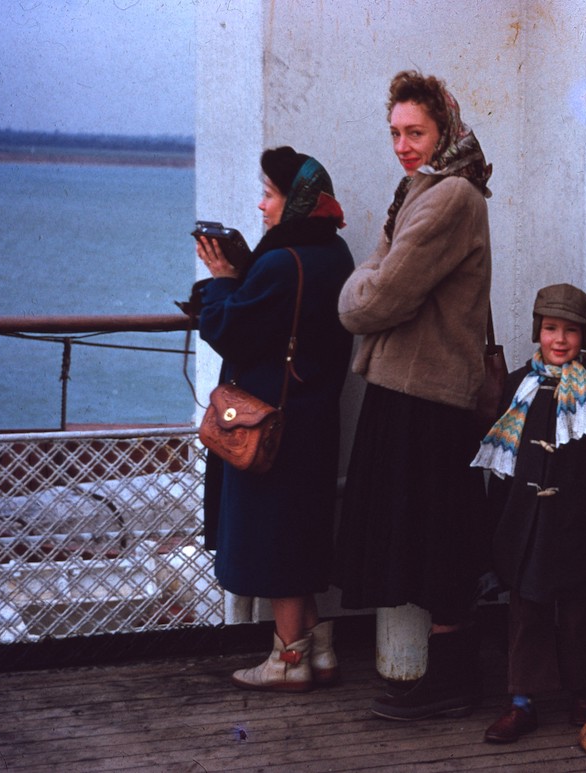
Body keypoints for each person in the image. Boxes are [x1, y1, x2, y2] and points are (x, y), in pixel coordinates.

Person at [335, 70, 493, 720]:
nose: (402, 144)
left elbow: (371, 299)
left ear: (443, 130)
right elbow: (377, 279)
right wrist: (367, 280)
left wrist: (354, 290)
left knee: (436, 540)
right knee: (424, 537)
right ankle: (443, 678)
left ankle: (453, 681)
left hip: (428, 399)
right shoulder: (419, 188)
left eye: (415, 131)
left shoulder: (449, 196)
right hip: (410, 391)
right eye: (396, 131)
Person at [196, 147, 354, 692]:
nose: (261, 206)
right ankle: (320, 648)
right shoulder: (334, 252)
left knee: (276, 536)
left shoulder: (282, 260)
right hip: (313, 417)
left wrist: (220, 278)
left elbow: (231, 328)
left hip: (269, 425)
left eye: (269, 194)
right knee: (301, 530)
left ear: (296, 203)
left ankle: (288, 661)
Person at [471, 283, 586, 744]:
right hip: (526, 525)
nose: (559, 340)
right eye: (550, 328)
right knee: (526, 612)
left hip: (578, 525)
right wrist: (495, 532)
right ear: (537, 331)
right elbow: (502, 464)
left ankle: (583, 692)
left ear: (585, 335)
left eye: (571, 331)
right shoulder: (519, 386)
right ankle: (522, 701)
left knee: (581, 612)